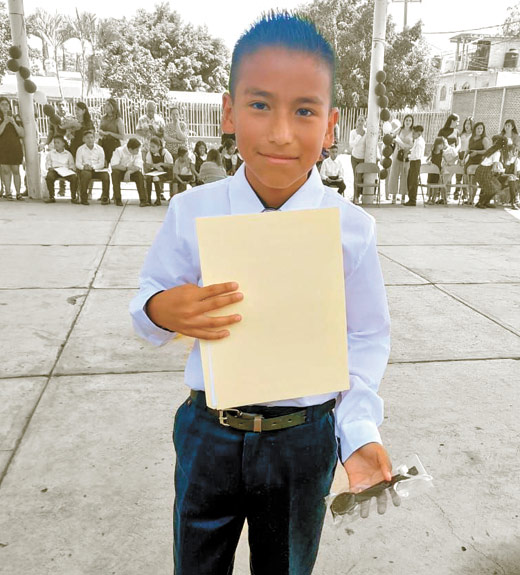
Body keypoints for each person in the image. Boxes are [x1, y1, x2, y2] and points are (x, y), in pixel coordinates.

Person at [130, 12, 393, 575]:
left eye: (304, 111)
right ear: (229, 112)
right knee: (197, 562)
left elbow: (367, 335)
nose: (280, 132)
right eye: (259, 105)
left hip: (304, 439)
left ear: (330, 126)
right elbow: (148, 298)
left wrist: (358, 429)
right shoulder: (192, 212)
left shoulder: (351, 229)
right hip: (210, 430)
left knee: (286, 566)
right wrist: (162, 308)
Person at [0, 97, 25, 201]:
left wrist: (13, 122)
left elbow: (22, 133)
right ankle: (8, 192)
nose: (5, 107)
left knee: (16, 170)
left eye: (7, 104)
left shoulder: (16, 117)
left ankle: (18, 193)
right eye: (2, 104)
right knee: (5, 170)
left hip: (14, 147)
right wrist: (5, 122)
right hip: (3, 148)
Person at [75, 130, 110, 205]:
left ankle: (105, 197)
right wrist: (84, 167)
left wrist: (93, 167)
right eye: (87, 138)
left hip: (97, 169)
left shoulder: (100, 149)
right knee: (85, 175)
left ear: (94, 138)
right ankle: (84, 198)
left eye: (91, 137)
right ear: (83, 139)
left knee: (106, 175)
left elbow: (101, 163)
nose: (90, 139)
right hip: (85, 170)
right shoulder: (80, 149)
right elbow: (78, 163)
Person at [110, 137, 147, 207]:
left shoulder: (137, 152)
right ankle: (118, 199)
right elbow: (114, 165)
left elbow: (138, 166)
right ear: (130, 149)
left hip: (132, 171)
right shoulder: (119, 151)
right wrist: (126, 169)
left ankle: (143, 200)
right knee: (115, 174)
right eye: (136, 149)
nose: (138, 151)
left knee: (139, 175)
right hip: (120, 171)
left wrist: (128, 172)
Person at [475, 135, 509, 209]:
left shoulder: (493, 150)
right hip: (484, 172)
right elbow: (494, 168)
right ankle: (480, 202)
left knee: (497, 186)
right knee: (492, 188)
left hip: (482, 170)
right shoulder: (497, 153)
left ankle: (486, 202)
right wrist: (501, 170)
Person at [387, 114, 414, 204]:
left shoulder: (413, 132)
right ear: (404, 121)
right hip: (397, 153)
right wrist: (394, 140)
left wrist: (406, 147)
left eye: (410, 120)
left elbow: (413, 144)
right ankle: (393, 196)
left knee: (405, 175)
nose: (408, 122)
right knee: (394, 173)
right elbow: (391, 136)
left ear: (412, 122)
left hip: (407, 155)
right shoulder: (399, 130)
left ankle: (403, 196)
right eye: (406, 120)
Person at [44, 134, 78, 204]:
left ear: (63, 144)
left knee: (74, 177)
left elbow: (72, 165)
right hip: (55, 171)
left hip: (65, 171)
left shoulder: (68, 154)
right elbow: (48, 164)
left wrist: (70, 169)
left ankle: (74, 197)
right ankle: (51, 197)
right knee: (49, 176)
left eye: (58, 142)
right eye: (55, 143)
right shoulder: (50, 153)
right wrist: (50, 168)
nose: (56, 144)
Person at [144, 136, 174, 206]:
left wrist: (161, 164)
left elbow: (171, 165)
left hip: (166, 172)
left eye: (153, 147)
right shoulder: (150, 153)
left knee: (156, 178)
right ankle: (148, 199)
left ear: (159, 147)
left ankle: (158, 199)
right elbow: (147, 164)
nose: (151, 148)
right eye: (150, 146)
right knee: (148, 178)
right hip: (156, 172)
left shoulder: (165, 152)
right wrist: (154, 166)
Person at [99, 98, 126, 167]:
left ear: (113, 106)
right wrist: (101, 132)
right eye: (105, 104)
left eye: (108, 105)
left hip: (114, 145)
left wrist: (109, 133)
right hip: (103, 144)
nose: (106, 106)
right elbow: (100, 131)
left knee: (113, 165)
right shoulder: (103, 118)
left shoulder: (118, 120)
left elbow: (122, 136)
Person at [405, 125, 425, 206]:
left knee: (413, 181)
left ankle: (412, 200)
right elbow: (413, 150)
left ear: (419, 133)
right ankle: (411, 198)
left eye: (414, 133)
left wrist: (408, 156)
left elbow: (416, 155)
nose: (412, 135)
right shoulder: (416, 141)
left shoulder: (420, 142)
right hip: (413, 162)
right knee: (410, 180)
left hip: (415, 162)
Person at [348, 115, 366, 203]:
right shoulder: (353, 132)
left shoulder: (367, 132)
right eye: (359, 120)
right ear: (356, 122)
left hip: (363, 158)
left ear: (365, 122)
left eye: (362, 120)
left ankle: (361, 195)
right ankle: (356, 196)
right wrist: (359, 136)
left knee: (362, 178)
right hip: (354, 157)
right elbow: (351, 144)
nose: (360, 122)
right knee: (356, 178)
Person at [425, 136, 445, 204]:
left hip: (438, 170)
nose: (441, 146)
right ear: (436, 144)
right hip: (431, 170)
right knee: (430, 183)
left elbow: (445, 160)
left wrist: (444, 165)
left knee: (436, 184)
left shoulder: (442, 153)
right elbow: (427, 159)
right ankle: (429, 198)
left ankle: (434, 198)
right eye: (440, 144)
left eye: (442, 144)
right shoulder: (432, 152)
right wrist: (429, 162)